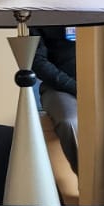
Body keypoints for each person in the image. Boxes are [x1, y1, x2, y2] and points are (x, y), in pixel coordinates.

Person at [34, 22, 78, 174]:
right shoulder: (41, 15)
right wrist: (74, 87)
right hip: (58, 88)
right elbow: (38, 62)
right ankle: (89, 181)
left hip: (99, 84)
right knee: (69, 121)